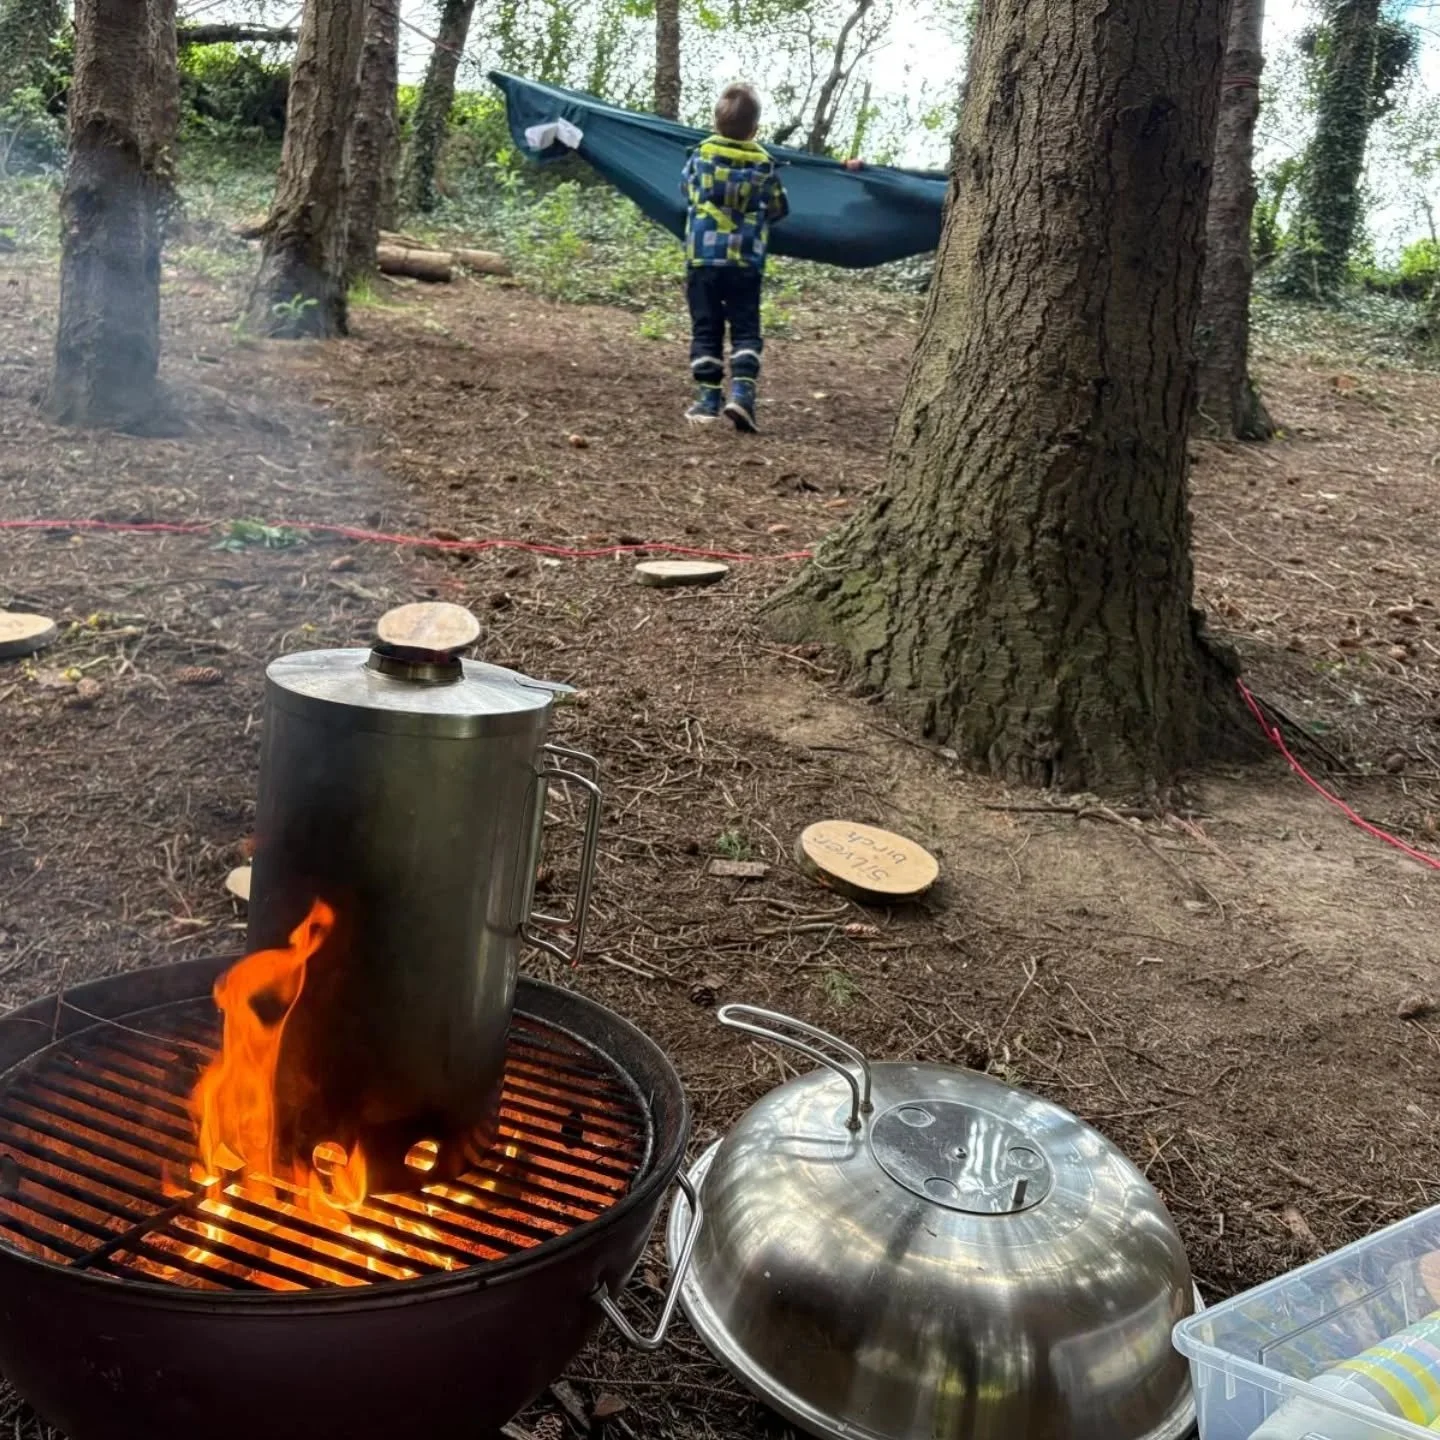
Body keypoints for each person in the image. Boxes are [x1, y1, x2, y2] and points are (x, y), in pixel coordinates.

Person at [681, 84, 790, 432]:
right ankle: (742, 395)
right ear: (755, 129)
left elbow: (687, 190)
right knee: (745, 327)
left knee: (706, 326)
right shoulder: (764, 164)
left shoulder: (699, 157)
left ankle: (708, 400)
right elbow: (778, 208)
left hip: (703, 260)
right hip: (745, 261)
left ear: (715, 124)